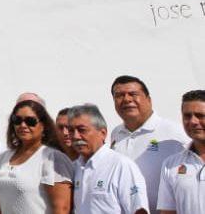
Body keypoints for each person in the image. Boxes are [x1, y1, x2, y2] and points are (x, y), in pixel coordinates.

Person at [111, 76, 186, 214]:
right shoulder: (116, 133)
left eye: (133, 94)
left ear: (148, 99)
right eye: (119, 95)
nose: (126, 99)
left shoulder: (173, 132)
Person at [0, 100, 72, 214]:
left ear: (43, 125)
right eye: (17, 120)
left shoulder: (52, 158)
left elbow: (62, 209)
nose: (23, 125)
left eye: (30, 121)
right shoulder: (4, 158)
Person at [69, 104, 148, 214]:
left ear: (103, 133)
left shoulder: (121, 166)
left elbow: (139, 210)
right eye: (71, 131)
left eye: (82, 130)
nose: (76, 136)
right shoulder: (74, 167)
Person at [156, 90, 205, 214]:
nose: (193, 121)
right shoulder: (171, 164)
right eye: (187, 116)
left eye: (200, 115)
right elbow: (168, 211)